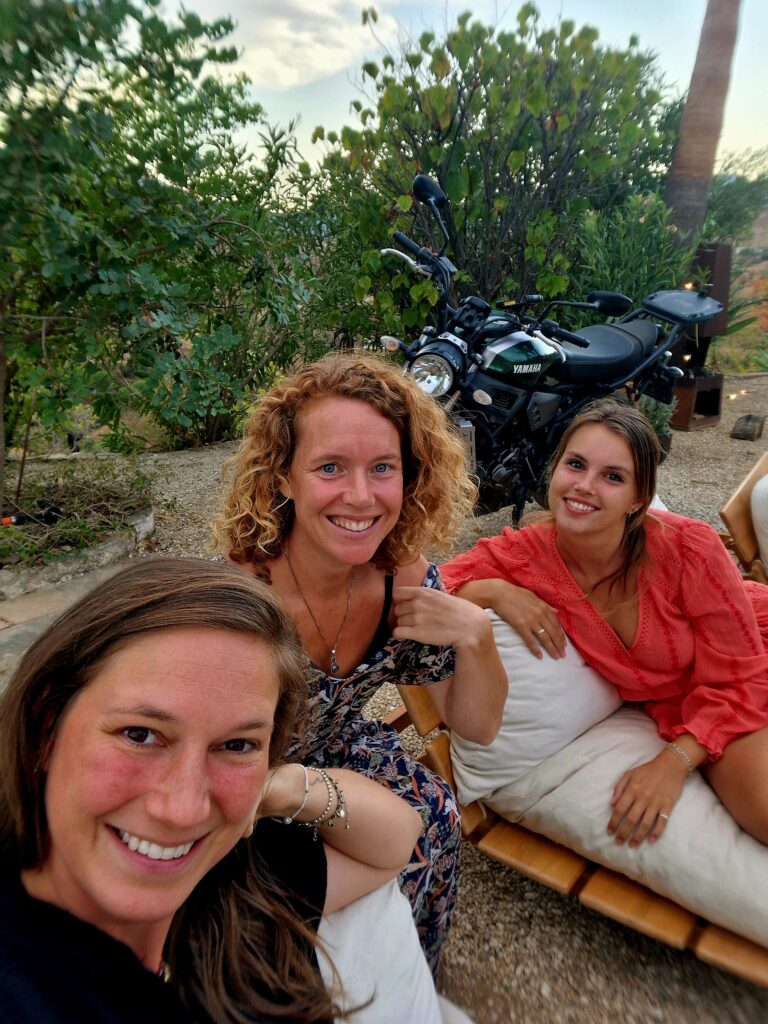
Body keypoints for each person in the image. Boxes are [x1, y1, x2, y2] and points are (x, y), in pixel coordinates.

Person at [0, 558, 423, 1023]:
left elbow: (395, 841)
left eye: (237, 744)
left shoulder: (234, 880)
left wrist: (277, 788)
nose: (182, 810)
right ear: (46, 727)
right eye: (140, 735)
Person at [212, 352, 507, 973]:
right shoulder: (238, 595)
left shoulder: (405, 581)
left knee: (434, 818)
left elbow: (475, 728)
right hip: (251, 780)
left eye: (383, 469)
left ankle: (407, 977)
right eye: (330, 467)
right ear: (283, 477)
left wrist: (478, 637)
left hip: (350, 751)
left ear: (411, 476)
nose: (360, 496)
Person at [440, 399, 768, 849]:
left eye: (612, 476)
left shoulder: (690, 547)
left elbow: (742, 674)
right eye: (575, 465)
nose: (585, 486)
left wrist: (672, 763)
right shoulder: (528, 553)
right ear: (555, 470)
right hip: (685, 699)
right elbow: (430, 586)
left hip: (748, 658)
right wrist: (494, 592)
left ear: (638, 498)